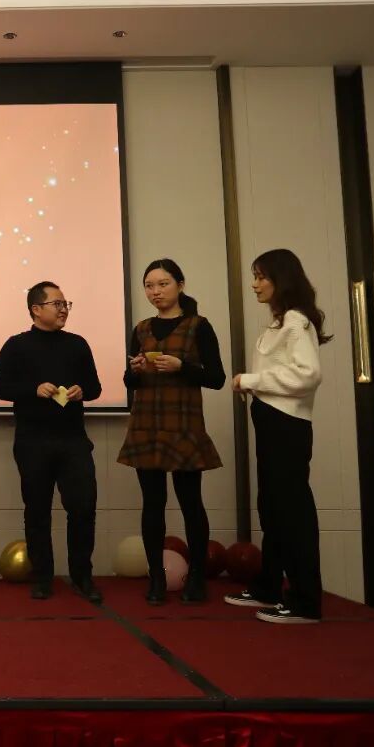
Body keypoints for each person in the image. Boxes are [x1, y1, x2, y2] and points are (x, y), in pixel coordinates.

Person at [226, 249, 328, 624]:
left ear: (281, 279)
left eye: (261, 277)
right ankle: (269, 585)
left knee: (291, 511)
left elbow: (308, 375)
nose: (254, 284)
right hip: (272, 422)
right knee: (272, 507)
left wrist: (251, 380)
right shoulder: (280, 322)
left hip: (287, 425)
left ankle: (304, 602)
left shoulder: (296, 322)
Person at [118, 259, 225, 604]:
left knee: (191, 503)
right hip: (146, 423)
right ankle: (157, 579)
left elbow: (217, 378)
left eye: (162, 284)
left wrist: (183, 367)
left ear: (180, 285)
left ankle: (197, 579)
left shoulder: (198, 326)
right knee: (152, 504)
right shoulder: (141, 329)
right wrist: (134, 370)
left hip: (183, 424)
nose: (155, 291)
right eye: (149, 285)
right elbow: (130, 382)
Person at [0, 281, 103, 602]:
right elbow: (0, 387)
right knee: (37, 511)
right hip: (33, 442)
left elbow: (95, 388)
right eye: (57, 304)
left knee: (83, 508)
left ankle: (82, 577)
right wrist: (33, 389)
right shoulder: (16, 345)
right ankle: (42, 578)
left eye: (66, 303)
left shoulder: (77, 344)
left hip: (73, 441)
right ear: (36, 309)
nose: (63, 309)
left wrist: (82, 391)